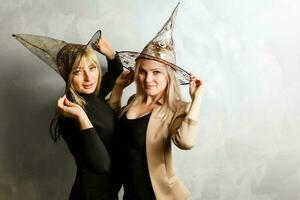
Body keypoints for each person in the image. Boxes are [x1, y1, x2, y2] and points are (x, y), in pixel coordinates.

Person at [109, 3, 203, 200]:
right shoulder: (134, 101)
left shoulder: (176, 108)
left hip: (159, 196)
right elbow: (112, 125)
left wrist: (196, 100)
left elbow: (186, 142)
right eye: (142, 71)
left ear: (169, 77)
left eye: (156, 72)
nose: (147, 79)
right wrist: (117, 89)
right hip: (130, 195)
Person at [13, 30, 123, 200]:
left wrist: (109, 52)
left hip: (110, 194)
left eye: (92, 68)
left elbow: (116, 72)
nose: (89, 78)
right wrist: (81, 116)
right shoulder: (70, 114)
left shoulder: (94, 96)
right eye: (78, 71)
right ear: (68, 76)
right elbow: (101, 165)